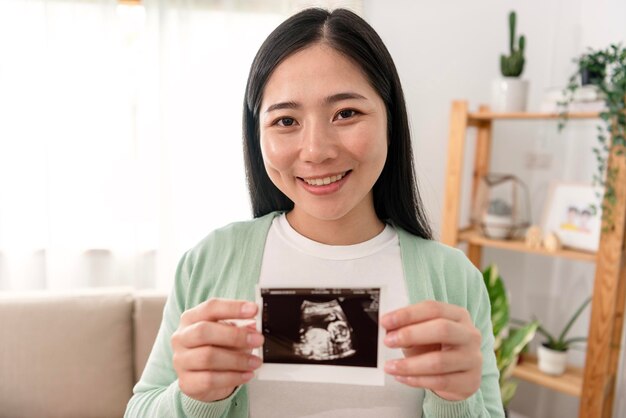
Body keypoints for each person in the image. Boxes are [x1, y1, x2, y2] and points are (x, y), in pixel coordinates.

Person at [125, 7, 504, 418]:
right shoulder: (212, 260)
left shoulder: (453, 278)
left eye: (346, 113)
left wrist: (458, 401)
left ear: (390, 119)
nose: (316, 151)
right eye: (286, 120)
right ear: (257, 136)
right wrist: (195, 396)